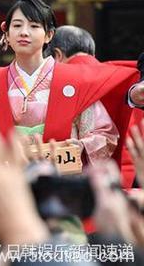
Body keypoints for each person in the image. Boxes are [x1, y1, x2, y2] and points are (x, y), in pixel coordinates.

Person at [0, 0, 135, 166]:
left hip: (62, 181)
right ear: (7, 34)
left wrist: (79, 147)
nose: (24, 32)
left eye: (34, 26)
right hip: (10, 177)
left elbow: (105, 135)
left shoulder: (76, 82)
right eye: (17, 26)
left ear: (49, 35)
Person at [48, 25, 140, 186]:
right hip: (136, 176)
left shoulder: (62, 83)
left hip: (87, 182)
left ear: (57, 55)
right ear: (93, 53)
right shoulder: (128, 74)